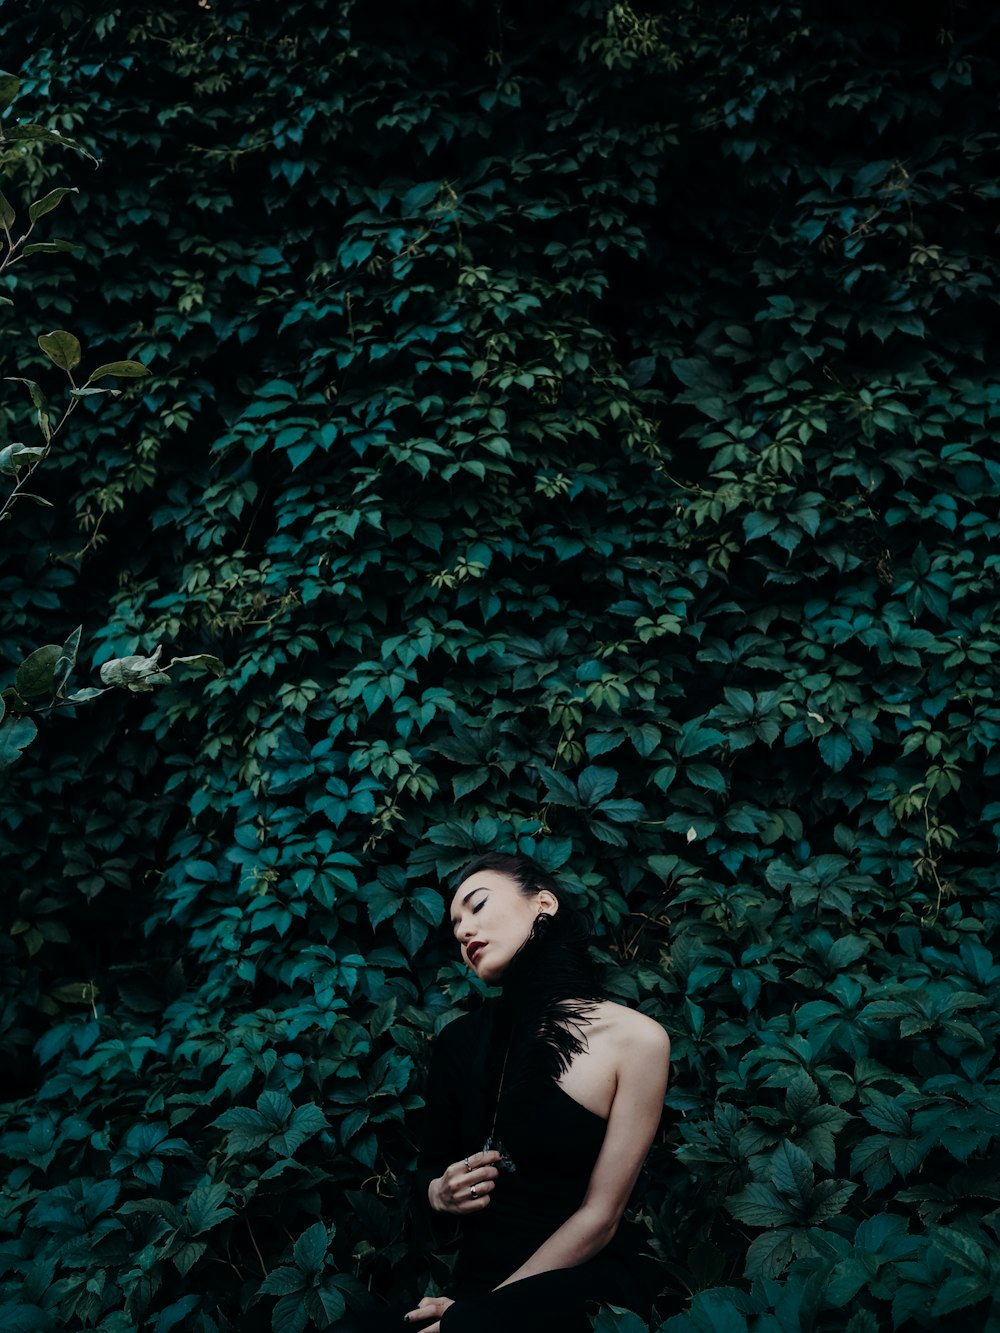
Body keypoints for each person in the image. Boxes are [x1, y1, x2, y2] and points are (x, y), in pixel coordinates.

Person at [335, 851, 670, 1333]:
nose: (463, 931)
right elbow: (433, 1164)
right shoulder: (459, 1042)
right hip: (475, 1287)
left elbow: (601, 1215)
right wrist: (439, 1192)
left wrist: (481, 1313)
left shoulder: (638, 1040)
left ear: (545, 904)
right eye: (454, 925)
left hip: (579, 1282)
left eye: (477, 905)